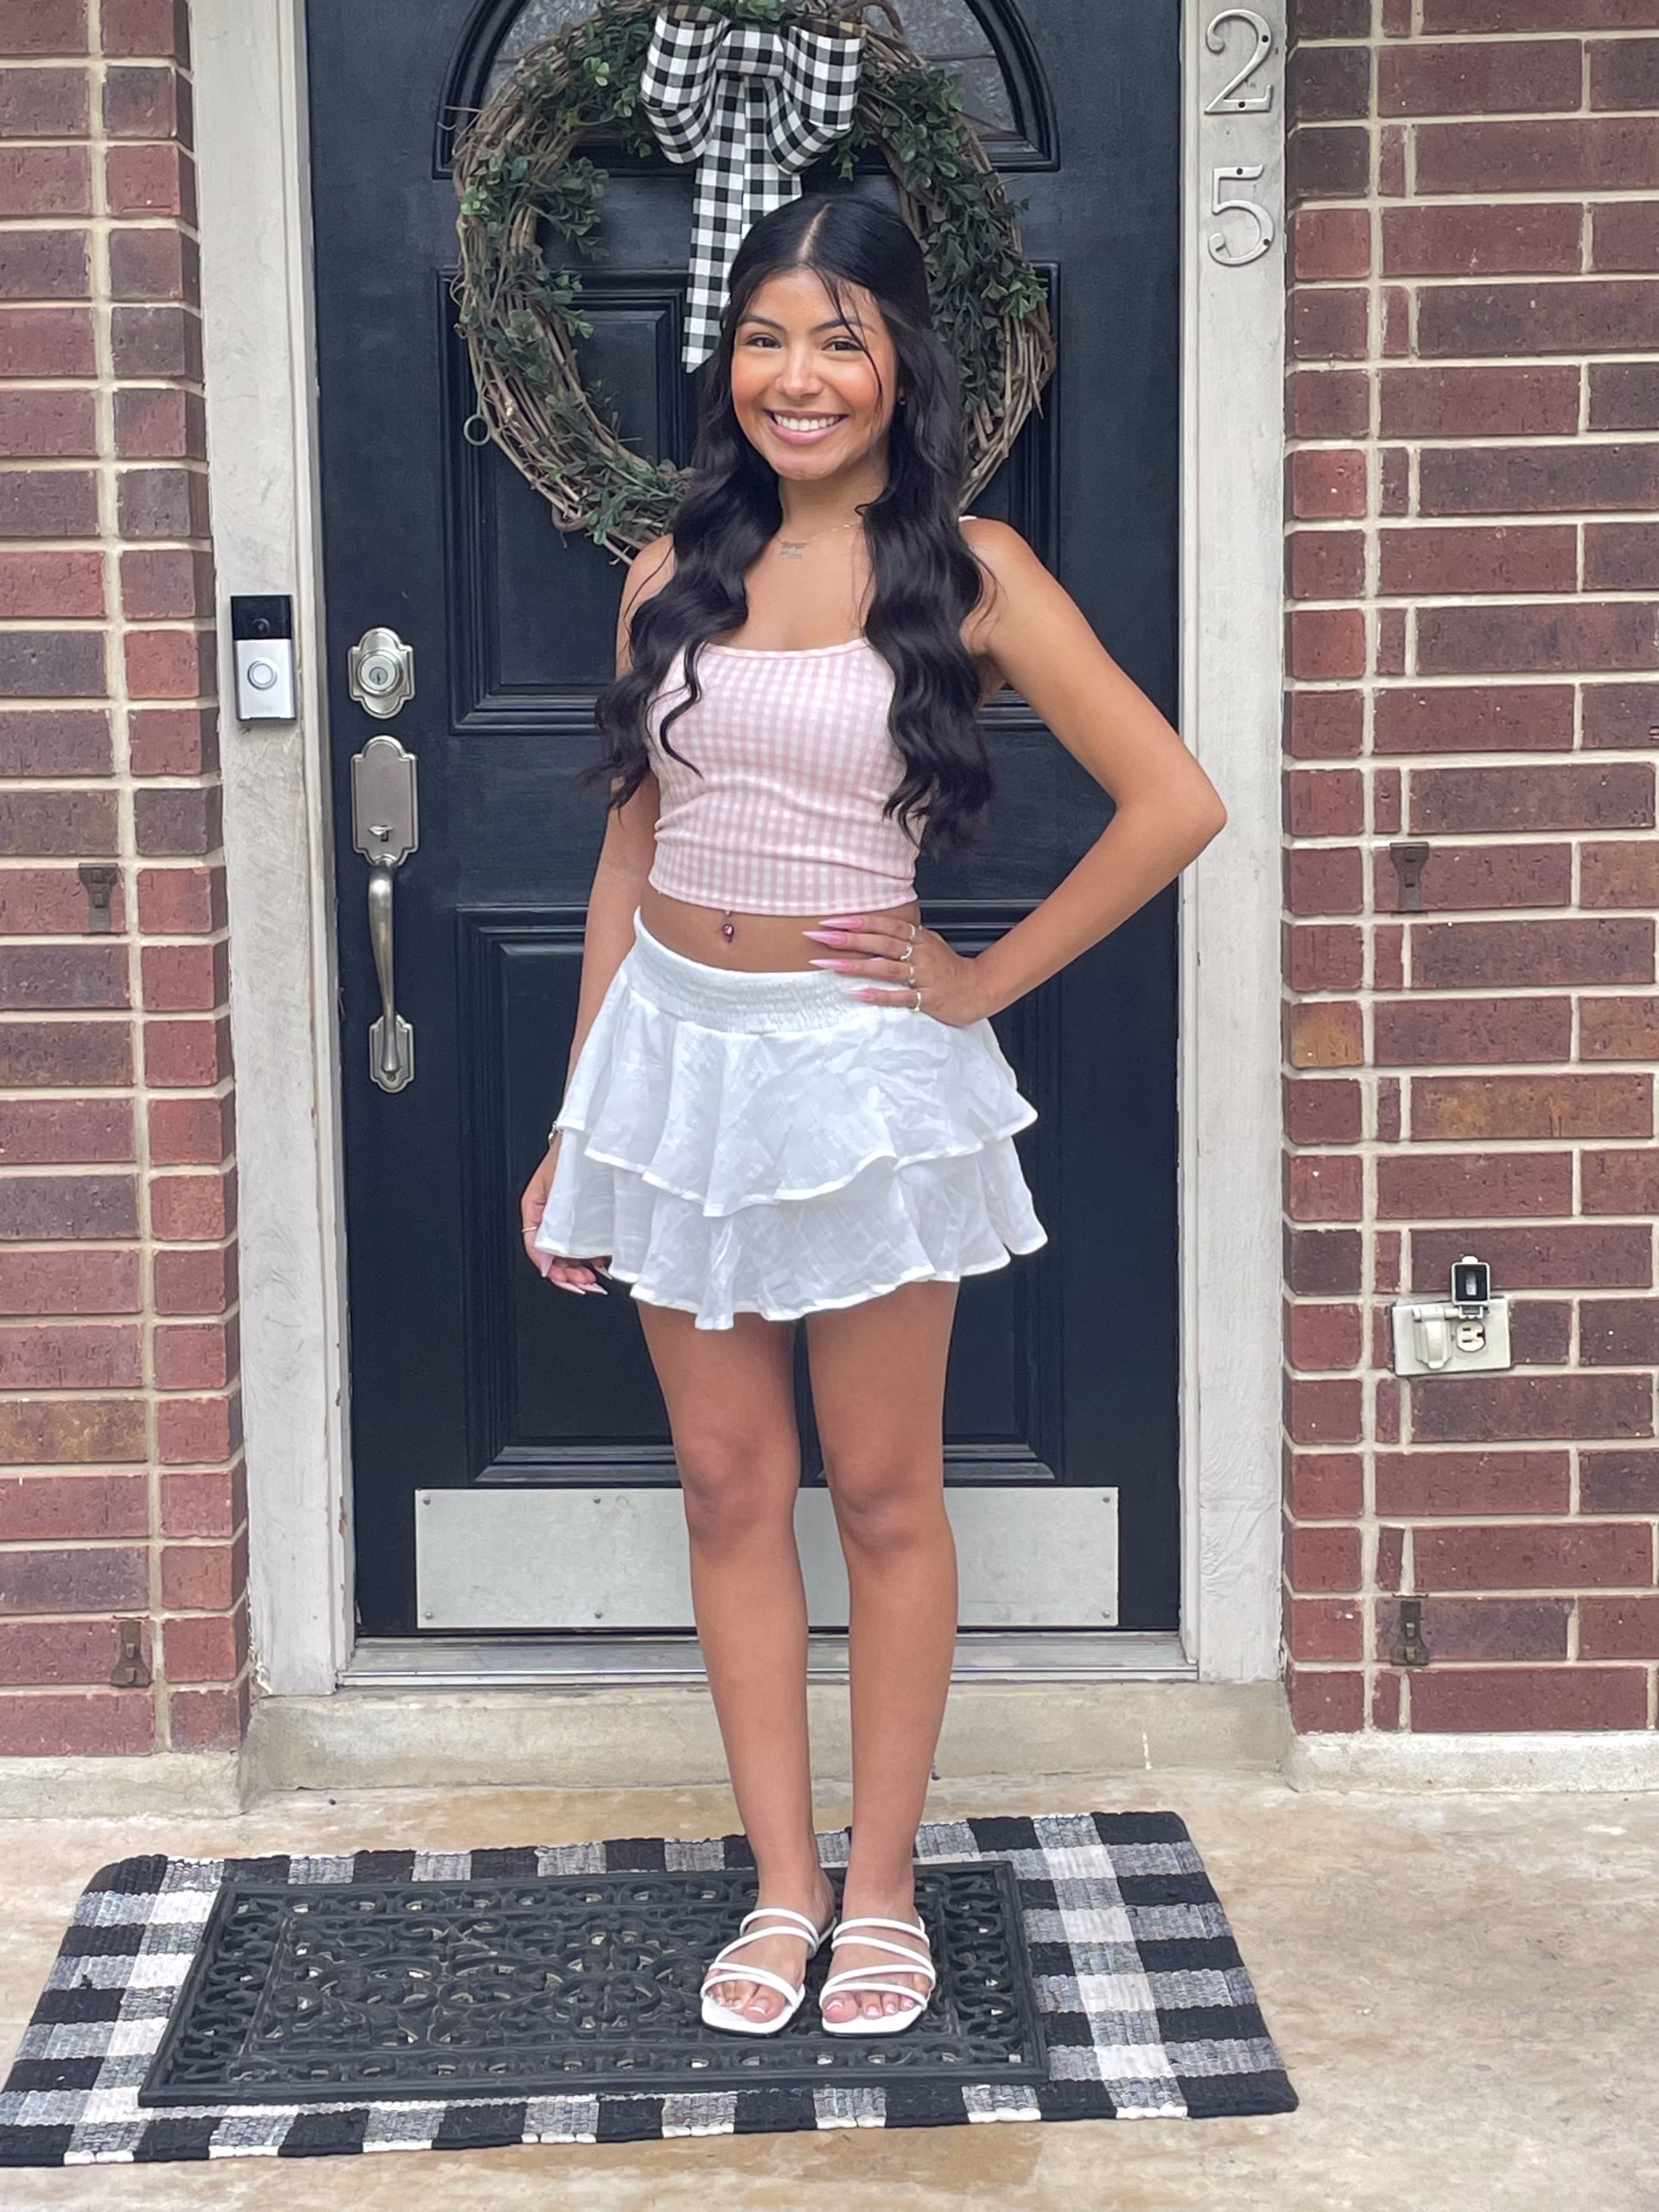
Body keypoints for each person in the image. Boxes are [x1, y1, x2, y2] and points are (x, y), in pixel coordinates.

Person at [519, 191, 1224, 2037]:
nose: (799, 377)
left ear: (902, 362)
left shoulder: (970, 570)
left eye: (840, 339)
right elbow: (629, 856)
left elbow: (1173, 800)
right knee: (727, 1483)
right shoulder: (668, 568)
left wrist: (977, 981)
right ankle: (781, 1884)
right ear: (727, 360)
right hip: (673, 1058)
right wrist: (582, 1115)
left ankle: (886, 1888)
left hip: (856, 1075)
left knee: (888, 1490)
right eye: (766, 337)